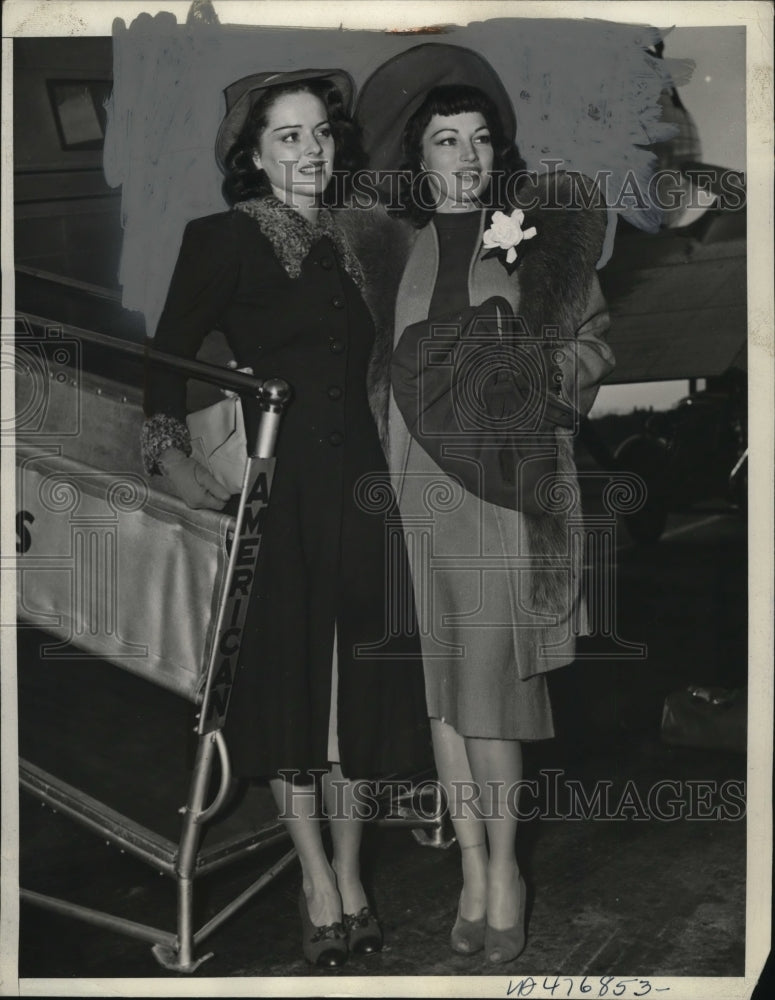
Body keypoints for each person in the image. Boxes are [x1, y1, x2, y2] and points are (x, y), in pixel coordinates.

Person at [141, 68, 429, 968]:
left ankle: (351, 873)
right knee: (293, 687)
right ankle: (314, 880)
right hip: (282, 495)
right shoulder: (221, 240)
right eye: (289, 137)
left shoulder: (361, 238)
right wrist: (172, 458)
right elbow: (165, 359)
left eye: (320, 134)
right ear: (253, 156)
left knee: (360, 695)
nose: (312, 151)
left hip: (360, 487)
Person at [353, 43, 616, 965]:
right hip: (422, 497)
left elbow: (593, 345)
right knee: (441, 699)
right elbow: (378, 381)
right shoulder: (396, 254)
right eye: (443, 141)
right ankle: (467, 866)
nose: (464, 157)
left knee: (491, 696)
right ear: (416, 160)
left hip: (504, 499)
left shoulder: (539, 240)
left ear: (496, 149)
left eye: (477, 139)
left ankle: (506, 872)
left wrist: (540, 373)